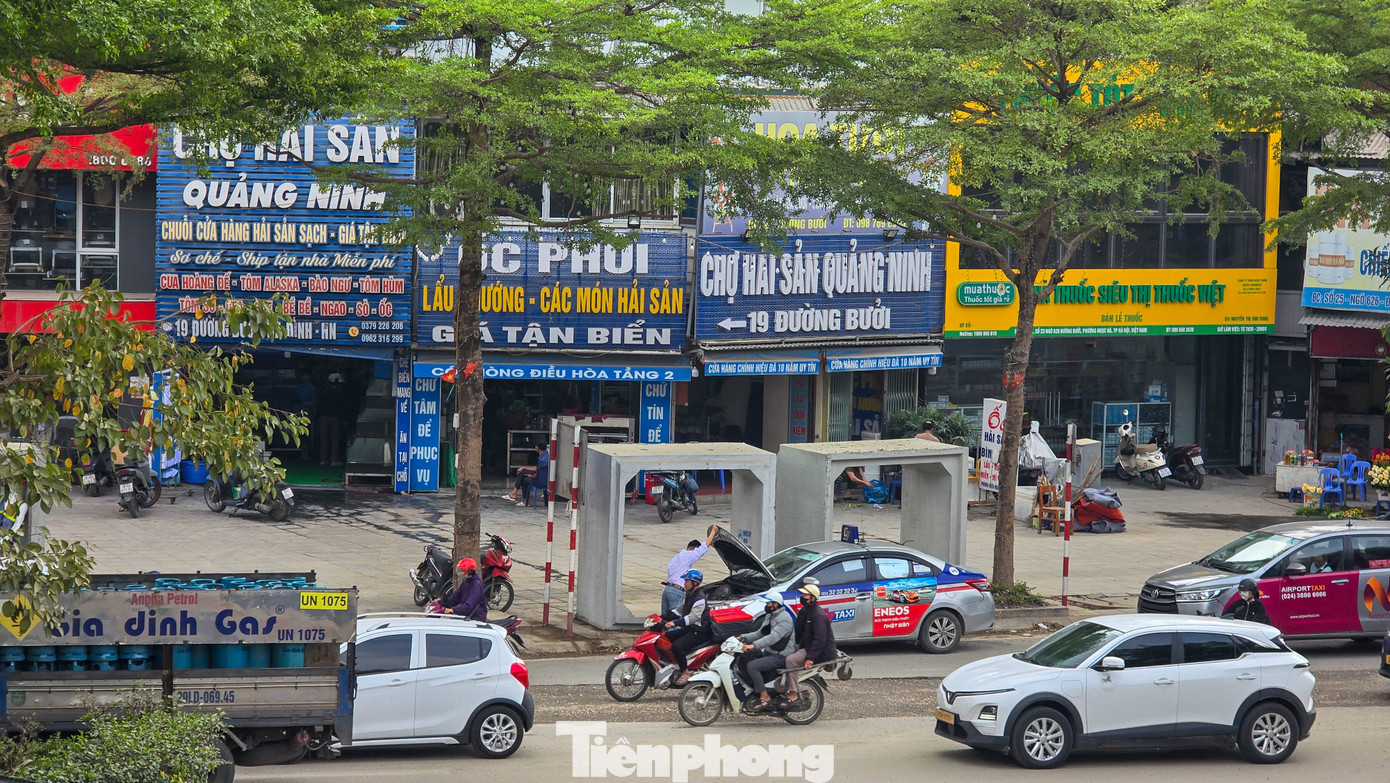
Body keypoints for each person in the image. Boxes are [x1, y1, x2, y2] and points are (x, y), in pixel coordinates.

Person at [736, 592, 796, 711]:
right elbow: (760, 633)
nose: (766, 605)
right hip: (770, 652)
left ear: (776, 604)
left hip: (781, 656)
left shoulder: (785, 619)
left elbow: (772, 638)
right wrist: (742, 637)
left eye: (768, 603)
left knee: (753, 666)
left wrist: (753, 645)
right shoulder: (770, 616)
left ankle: (765, 696)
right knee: (744, 657)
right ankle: (755, 689)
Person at [781, 583, 836, 708]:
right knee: (783, 653)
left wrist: (810, 658)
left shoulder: (818, 615)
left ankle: (793, 693)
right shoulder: (805, 611)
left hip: (818, 651)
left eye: (805, 595)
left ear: (813, 597)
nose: (802, 597)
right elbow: (799, 631)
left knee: (791, 661)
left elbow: (819, 640)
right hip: (806, 646)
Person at [659, 570, 710, 684]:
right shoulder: (688, 595)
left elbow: (692, 618)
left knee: (677, 646)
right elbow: (679, 611)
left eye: (687, 581)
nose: (684, 583)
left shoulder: (700, 598)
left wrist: (675, 623)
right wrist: (661, 618)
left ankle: (685, 672)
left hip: (699, 632)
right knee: (665, 637)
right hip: (690, 629)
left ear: (695, 583)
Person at [662, 525, 718, 615]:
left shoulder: (676, 558)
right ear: (694, 549)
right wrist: (713, 531)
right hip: (676, 592)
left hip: (667, 590)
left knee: (664, 618)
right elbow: (704, 548)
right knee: (676, 617)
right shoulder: (688, 555)